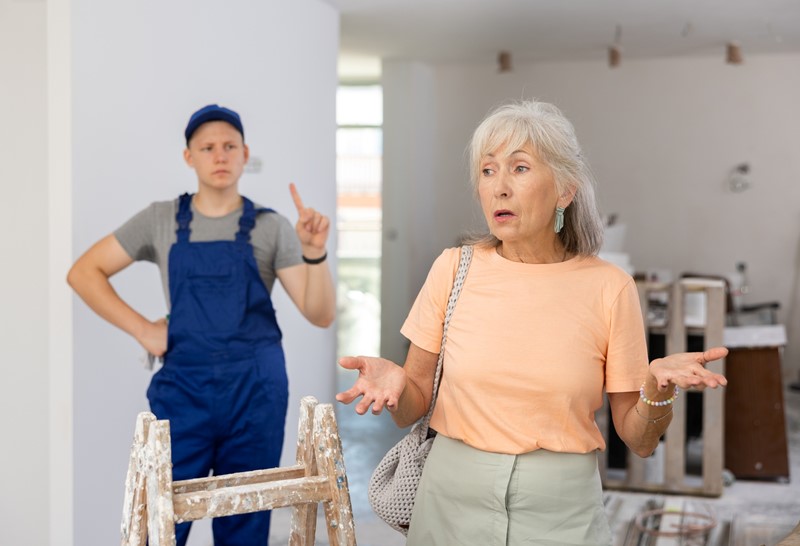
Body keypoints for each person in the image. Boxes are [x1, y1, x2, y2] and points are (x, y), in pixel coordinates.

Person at [336, 99, 728, 545]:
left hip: (561, 512)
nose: (499, 187)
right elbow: (413, 406)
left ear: (564, 190)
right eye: (487, 171)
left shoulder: (610, 287)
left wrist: (657, 389)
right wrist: (397, 384)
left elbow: (638, 440)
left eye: (519, 168)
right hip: (449, 503)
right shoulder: (451, 269)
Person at [67, 104, 335, 545]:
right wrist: (141, 328)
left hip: (255, 396)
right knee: (163, 524)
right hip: (183, 396)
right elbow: (84, 272)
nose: (220, 155)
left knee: (245, 525)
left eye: (230, 146)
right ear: (189, 156)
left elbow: (319, 313)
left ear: (245, 154)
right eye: (207, 147)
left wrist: (314, 252)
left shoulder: (271, 227)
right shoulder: (161, 219)